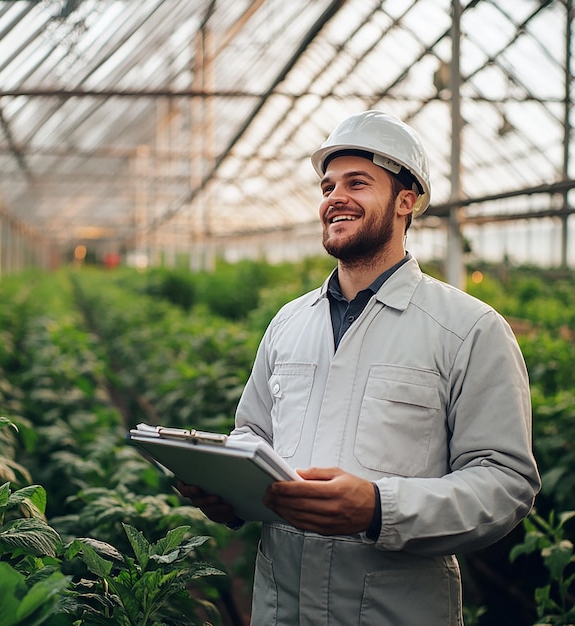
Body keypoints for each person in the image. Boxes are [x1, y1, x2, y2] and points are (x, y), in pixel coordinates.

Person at [179, 110, 541, 625]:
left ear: (405, 202)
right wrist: (227, 491)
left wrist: (377, 507)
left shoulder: (468, 329)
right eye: (327, 186)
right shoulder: (288, 323)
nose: (335, 197)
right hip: (282, 609)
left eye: (357, 183)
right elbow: (254, 434)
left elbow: (505, 484)